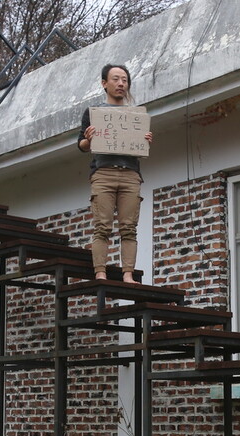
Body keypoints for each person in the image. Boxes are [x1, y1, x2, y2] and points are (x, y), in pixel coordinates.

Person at [77, 64, 153, 283]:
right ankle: (100, 272)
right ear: (104, 83)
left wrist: (145, 140)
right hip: (103, 174)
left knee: (129, 227)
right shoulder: (93, 112)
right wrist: (89, 139)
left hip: (130, 174)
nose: (121, 84)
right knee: (102, 226)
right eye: (116, 79)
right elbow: (81, 145)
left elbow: (139, 146)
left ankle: (127, 274)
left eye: (125, 80)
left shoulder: (135, 114)